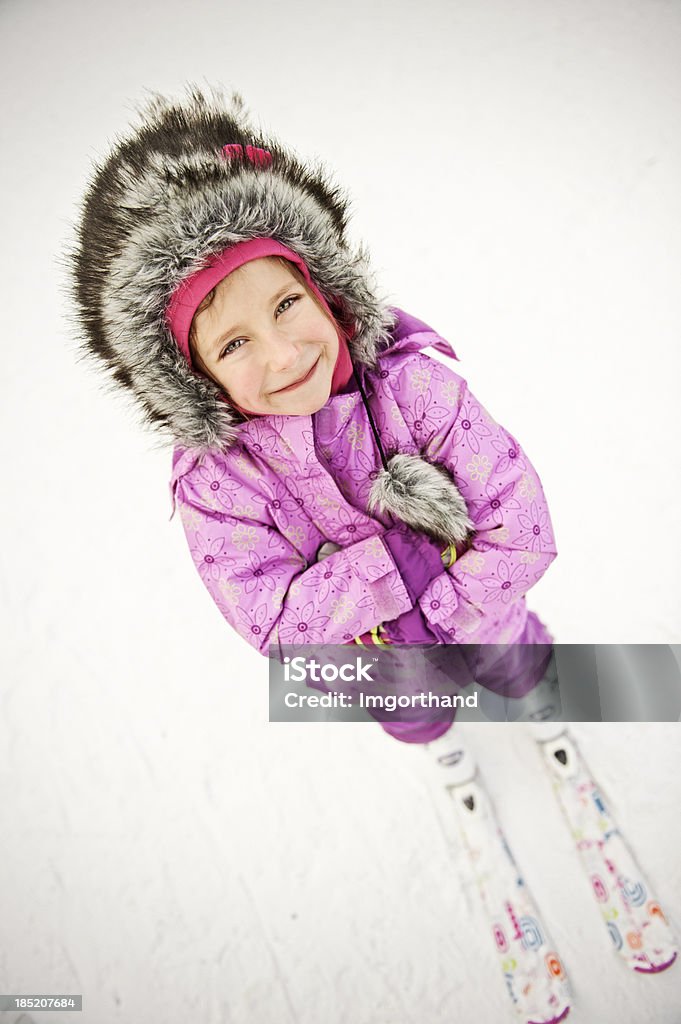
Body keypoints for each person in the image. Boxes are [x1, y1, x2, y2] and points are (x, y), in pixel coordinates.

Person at [68, 84, 558, 745]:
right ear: (191, 376)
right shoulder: (217, 484)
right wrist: (393, 574)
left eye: (284, 305)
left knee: (513, 659)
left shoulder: (413, 388)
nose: (282, 353)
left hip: (483, 610)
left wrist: (438, 612)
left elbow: (519, 528)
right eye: (233, 343)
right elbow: (272, 623)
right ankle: (441, 748)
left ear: (322, 289)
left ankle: (535, 702)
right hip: (373, 659)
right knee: (414, 710)